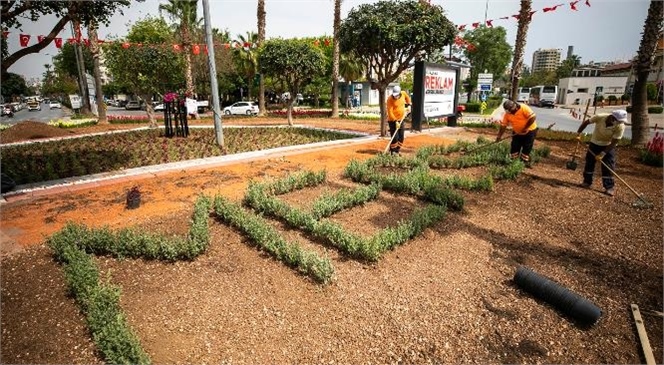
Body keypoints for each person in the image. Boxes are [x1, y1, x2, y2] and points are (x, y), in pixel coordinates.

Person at [576, 109, 627, 196]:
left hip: (608, 145)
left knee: (608, 166)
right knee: (589, 163)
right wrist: (578, 133)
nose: (619, 123)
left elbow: (614, 142)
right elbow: (586, 122)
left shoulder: (621, 126)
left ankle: (609, 187)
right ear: (612, 117)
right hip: (594, 143)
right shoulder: (600, 117)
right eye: (618, 120)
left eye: (620, 121)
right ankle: (587, 182)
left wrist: (603, 153)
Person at [495, 99, 538, 165]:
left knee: (527, 147)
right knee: (515, 146)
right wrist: (499, 136)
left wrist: (525, 128)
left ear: (514, 107)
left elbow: (533, 117)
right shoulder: (507, 114)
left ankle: (523, 163)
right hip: (517, 132)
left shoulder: (524, 108)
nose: (509, 112)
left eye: (510, 110)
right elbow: (503, 125)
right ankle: (513, 162)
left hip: (530, 131)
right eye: (507, 111)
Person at [386, 85, 411, 155]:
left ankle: (397, 151)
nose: (395, 97)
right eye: (394, 95)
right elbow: (390, 112)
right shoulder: (390, 99)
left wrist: (409, 105)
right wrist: (395, 121)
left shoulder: (403, 93)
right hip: (392, 121)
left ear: (399, 93)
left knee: (401, 137)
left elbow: (407, 98)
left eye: (396, 95)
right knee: (395, 137)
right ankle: (392, 151)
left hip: (401, 119)